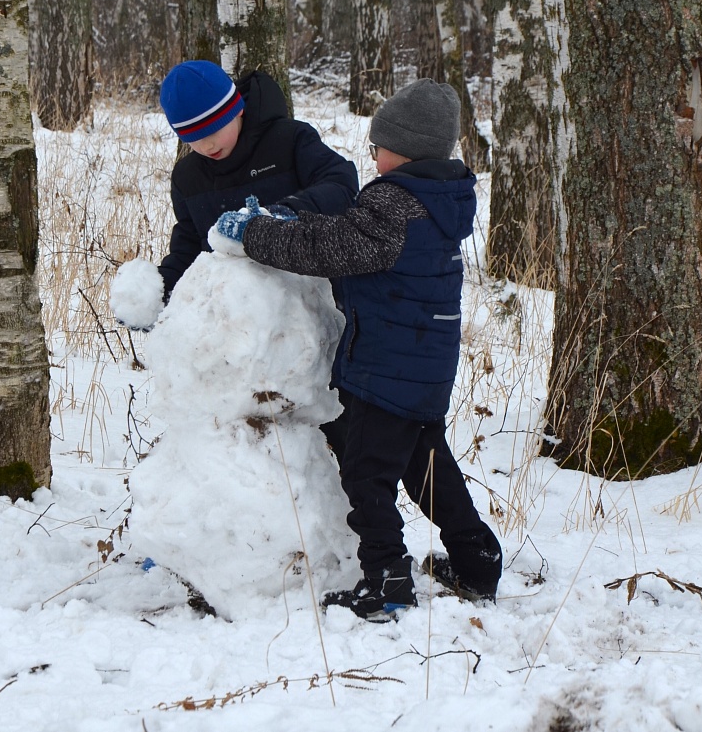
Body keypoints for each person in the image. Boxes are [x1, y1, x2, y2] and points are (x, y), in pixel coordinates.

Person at [212, 78, 503, 621]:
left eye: (377, 147)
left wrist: (256, 235)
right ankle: (477, 556)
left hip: (385, 370)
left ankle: (387, 578)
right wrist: (297, 216)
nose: (372, 156)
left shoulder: (394, 202)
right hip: (424, 368)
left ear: (403, 150)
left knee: (365, 477)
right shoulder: (437, 202)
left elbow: (334, 248)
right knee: (427, 466)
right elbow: (351, 233)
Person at [154, 59, 358, 300]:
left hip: (309, 302)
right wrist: (160, 291)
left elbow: (341, 183)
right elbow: (188, 245)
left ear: (236, 109)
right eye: (194, 138)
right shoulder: (187, 178)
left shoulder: (289, 141)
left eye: (213, 130)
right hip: (234, 315)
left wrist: (287, 212)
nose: (207, 145)